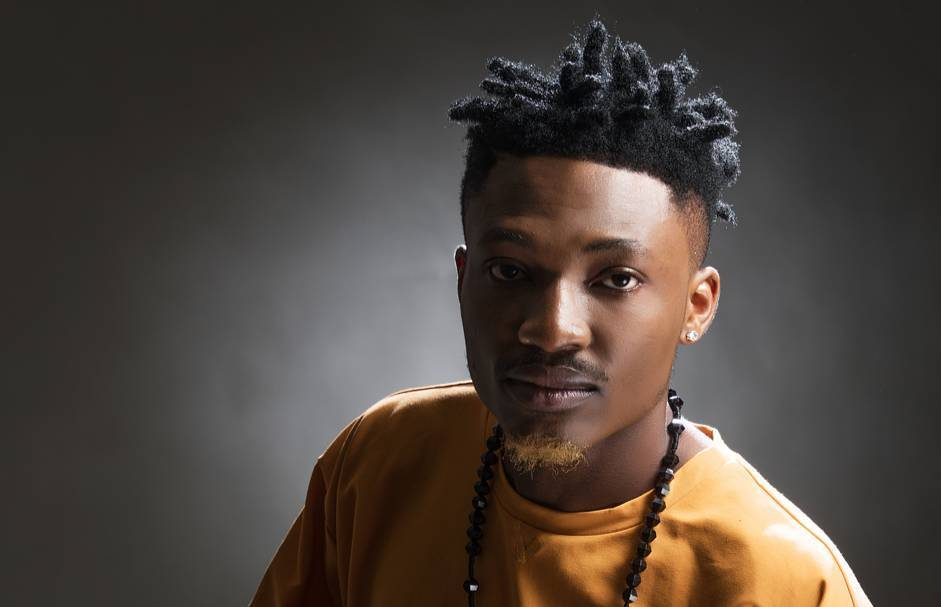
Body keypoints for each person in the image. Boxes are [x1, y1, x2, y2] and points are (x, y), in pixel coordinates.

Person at [251, 18, 872, 607]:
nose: (551, 329)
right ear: (464, 281)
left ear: (696, 306)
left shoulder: (783, 579)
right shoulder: (377, 464)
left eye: (617, 279)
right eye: (510, 271)